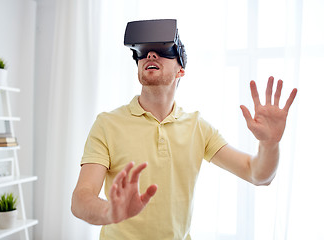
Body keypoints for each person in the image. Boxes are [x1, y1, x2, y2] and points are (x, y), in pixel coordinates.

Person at [71, 19, 297, 240]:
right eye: (143, 52)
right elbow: (81, 199)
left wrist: (270, 144)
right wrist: (109, 211)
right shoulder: (107, 124)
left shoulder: (197, 127)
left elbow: (257, 174)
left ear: (181, 71)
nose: (151, 55)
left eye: (163, 50)